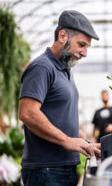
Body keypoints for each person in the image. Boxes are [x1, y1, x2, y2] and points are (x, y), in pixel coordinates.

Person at [18, 10, 101, 186]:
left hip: (62, 169)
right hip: (46, 170)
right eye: (81, 44)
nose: (84, 53)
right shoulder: (42, 67)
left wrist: (84, 143)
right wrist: (66, 140)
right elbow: (27, 112)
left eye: (87, 47)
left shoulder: (65, 70)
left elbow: (59, 117)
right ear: (62, 35)